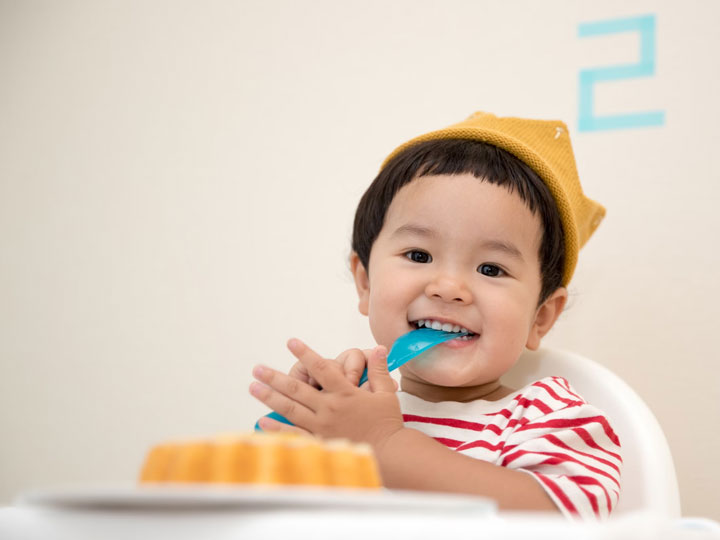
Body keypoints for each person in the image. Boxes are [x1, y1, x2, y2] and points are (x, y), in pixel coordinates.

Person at [248, 112, 621, 520]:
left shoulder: (547, 416)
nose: (447, 287)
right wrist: (305, 435)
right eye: (419, 255)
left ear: (541, 317)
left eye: (491, 269)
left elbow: (567, 521)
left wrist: (384, 444)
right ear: (366, 283)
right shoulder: (347, 412)